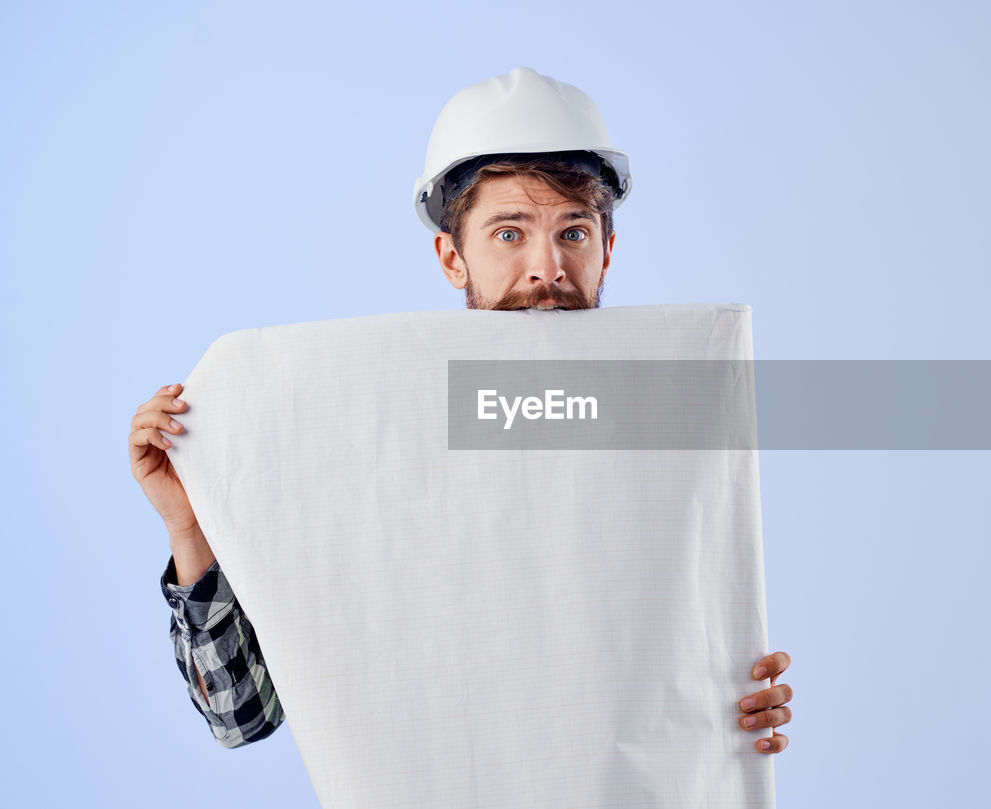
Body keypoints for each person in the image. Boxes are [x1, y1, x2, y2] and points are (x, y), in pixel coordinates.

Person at [129, 67, 794, 754]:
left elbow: (664, 668)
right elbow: (243, 716)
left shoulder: (665, 436)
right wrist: (190, 530)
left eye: (574, 232)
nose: (548, 266)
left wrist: (729, 698)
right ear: (452, 257)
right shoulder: (374, 444)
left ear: (608, 250)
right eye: (509, 234)